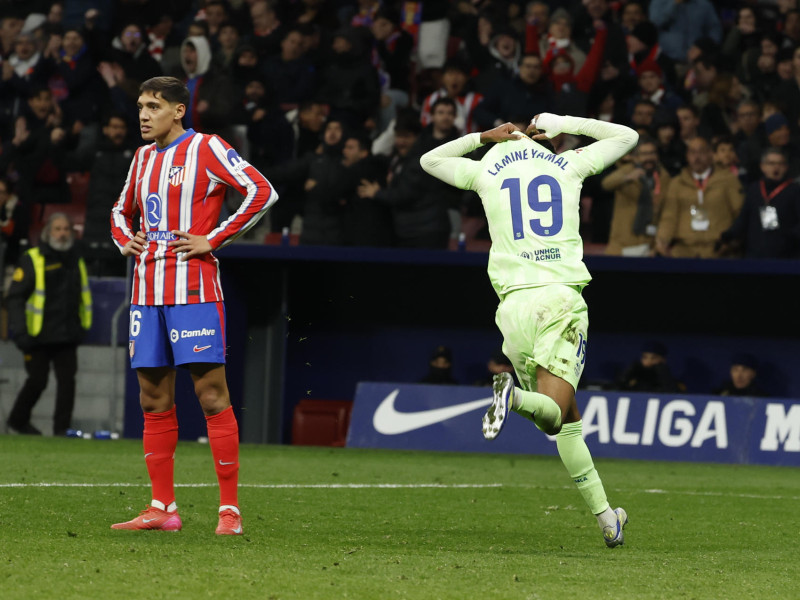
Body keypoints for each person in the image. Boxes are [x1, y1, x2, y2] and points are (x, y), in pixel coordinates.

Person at [420, 112, 638, 547]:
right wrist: (561, 122)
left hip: (512, 308)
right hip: (558, 298)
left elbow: (430, 160)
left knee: (561, 421)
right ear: (541, 141)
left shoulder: (485, 172)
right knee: (554, 411)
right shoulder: (569, 164)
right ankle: (512, 395)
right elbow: (626, 135)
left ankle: (607, 519)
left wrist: (482, 136)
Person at [109, 76, 278, 535]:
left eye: (153, 106)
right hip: (146, 293)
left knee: (210, 396)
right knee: (153, 398)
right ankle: (162, 508)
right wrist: (126, 240)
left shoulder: (207, 148)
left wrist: (214, 238)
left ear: (178, 110)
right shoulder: (142, 157)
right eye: (141, 106)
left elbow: (262, 191)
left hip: (195, 292)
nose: (143, 114)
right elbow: (120, 212)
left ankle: (229, 511)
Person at [5, 213, 92, 436]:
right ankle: (17, 420)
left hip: (67, 334)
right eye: (58, 229)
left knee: (67, 384)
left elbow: (83, 295)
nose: (63, 233)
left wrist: (82, 327)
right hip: (37, 335)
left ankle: (61, 430)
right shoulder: (32, 258)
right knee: (37, 381)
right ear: (47, 233)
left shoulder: (76, 258)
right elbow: (14, 298)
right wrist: (21, 332)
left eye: (66, 229)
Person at [655, 136, 744, 258]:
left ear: (710, 154)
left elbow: (739, 213)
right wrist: (662, 241)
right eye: (692, 152)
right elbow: (669, 216)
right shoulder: (677, 183)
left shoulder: (728, 180)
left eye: (701, 152)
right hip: (684, 251)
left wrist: (733, 242)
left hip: (718, 251)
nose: (697, 157)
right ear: (687, 156)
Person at [716, 147, 800, 259]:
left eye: (780, 163)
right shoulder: (754, 189)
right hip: (756, 256)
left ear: (786, 167)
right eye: (771, 163)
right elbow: (743, 219)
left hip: (785, 257)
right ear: (763, 167)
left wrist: (787, 237)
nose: (776, 167)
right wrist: (727, 236)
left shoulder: (794, 190)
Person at [603, 136, 671, 256]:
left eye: (652, 153)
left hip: (649, 244)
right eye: (644, 154)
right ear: (636, 157)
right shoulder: (628, 170)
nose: (649, 157)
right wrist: (626, 178)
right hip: (622, 244)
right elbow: (606, 184)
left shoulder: (664, 177)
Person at [614, 340, 681, 393]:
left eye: (654, 358)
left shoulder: (667, 377)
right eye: (645, 357)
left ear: (663, 360)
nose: (649, 362)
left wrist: (663, 372)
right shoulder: (635, 376)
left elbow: (671, 392)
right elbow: (618, 388)